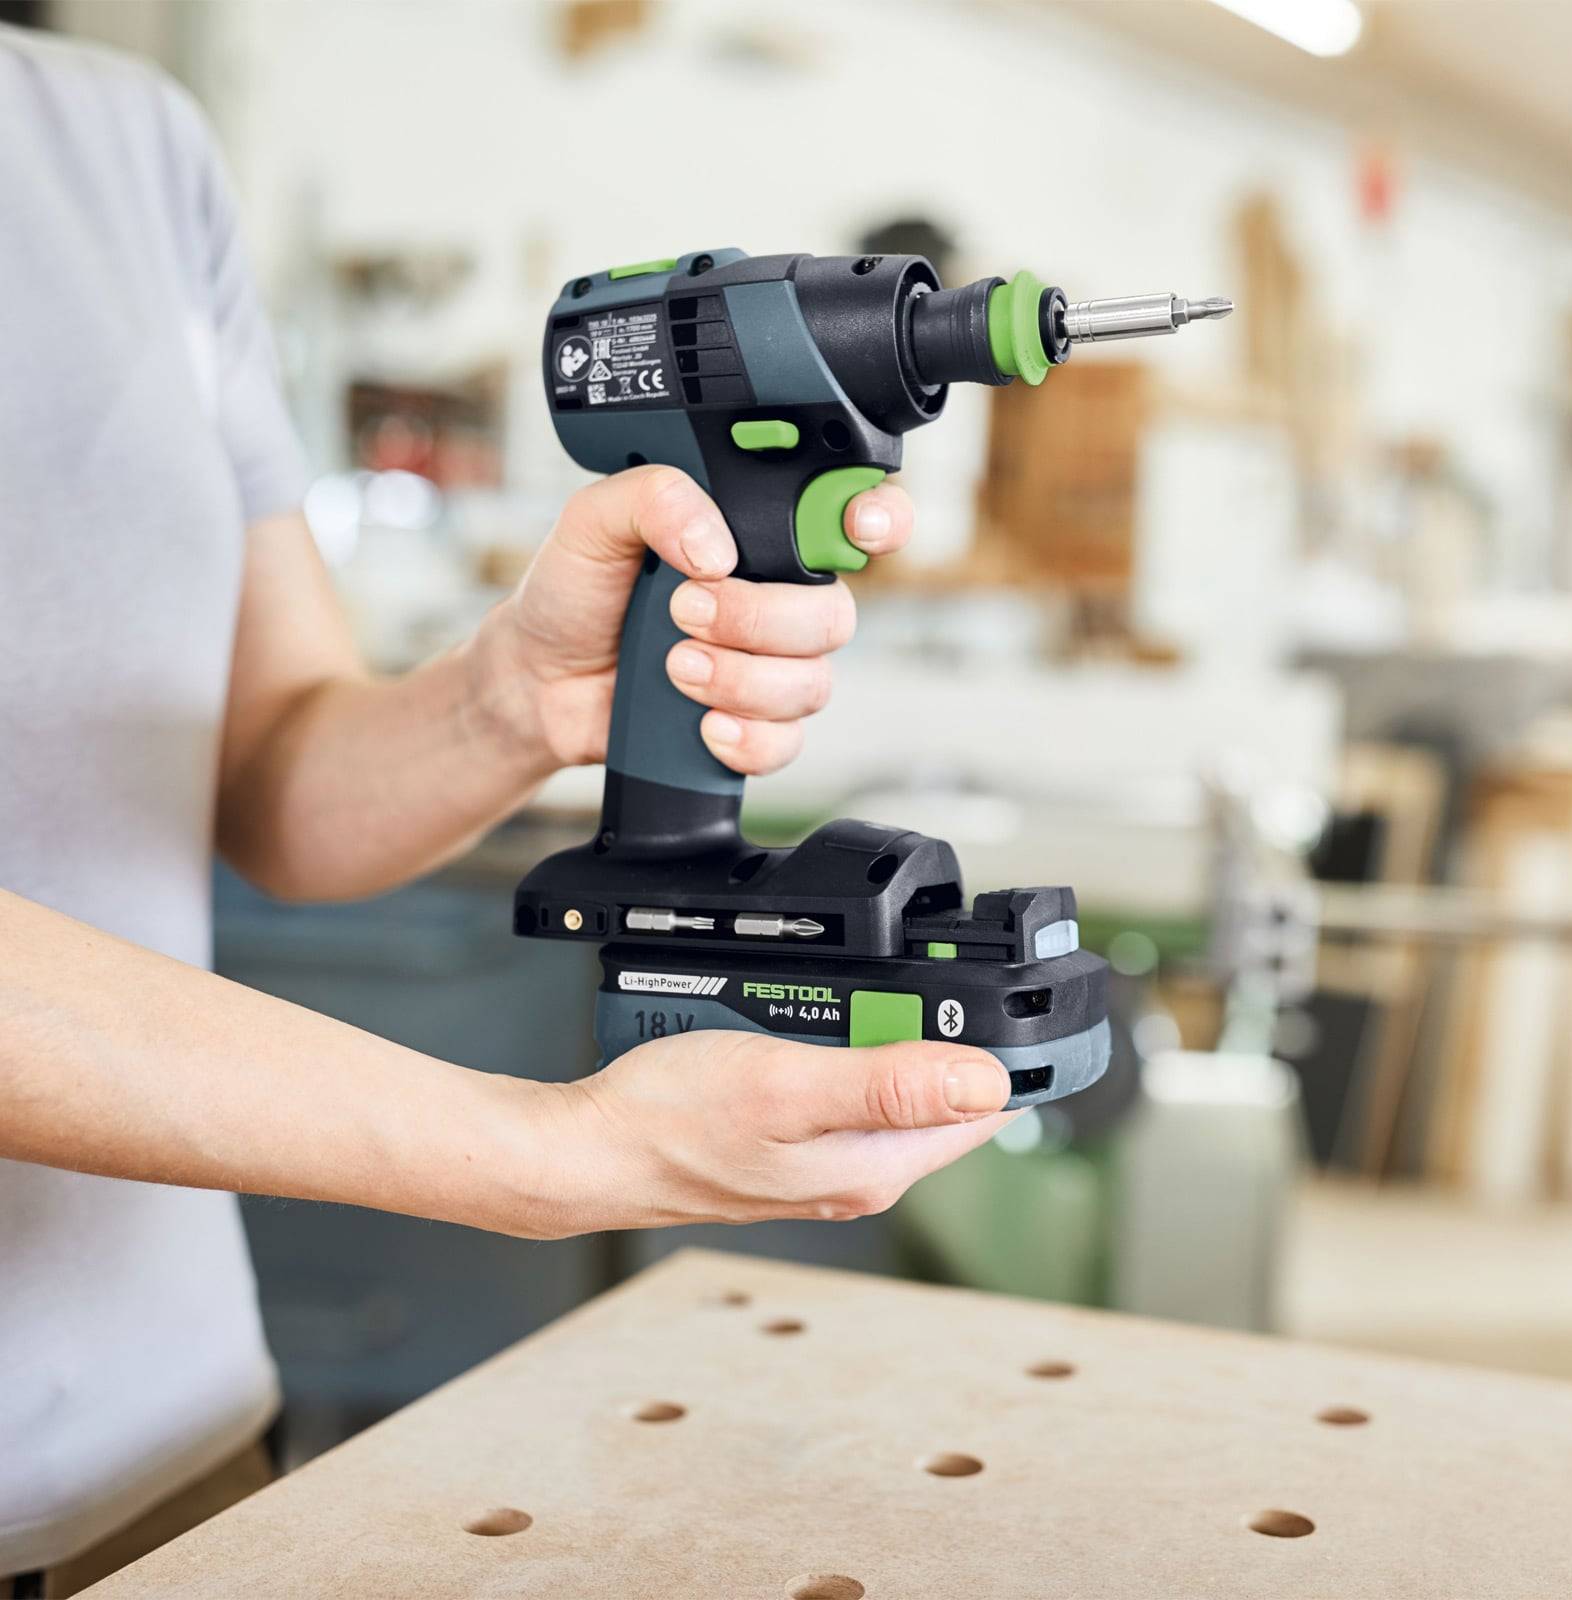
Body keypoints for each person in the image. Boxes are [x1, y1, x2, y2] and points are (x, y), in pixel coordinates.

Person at [0, 24, 1014, 1593]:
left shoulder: (133, 148)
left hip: (167, 1443)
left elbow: (271, 781)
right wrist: (549, 1156)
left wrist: (516, 699)